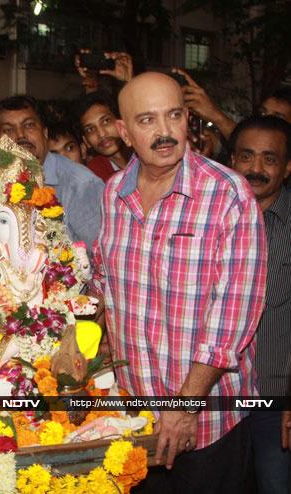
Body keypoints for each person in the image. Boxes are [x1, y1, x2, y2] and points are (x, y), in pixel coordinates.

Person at [95, 72, 267, 493]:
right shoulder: (114, 192)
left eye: (173, 116)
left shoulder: (228, 194)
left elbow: (233, 317)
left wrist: (184, 407)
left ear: (188, 118)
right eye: (147, 120)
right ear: (124, 132)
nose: (165, 132)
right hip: (136, 421)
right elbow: (106, 285)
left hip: (207, 424)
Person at [228, 115, 291, 494]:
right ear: (231, 160)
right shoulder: (208, 220)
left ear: (287, 166)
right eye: (247, 156)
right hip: (215, 396)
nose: (255, 168)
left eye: (269, 159)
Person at [0, 95, 103, 253]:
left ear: (45, 133)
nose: (20, 135)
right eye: (9, 130)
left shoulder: (80, 185)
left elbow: (103, 258)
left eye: (29, 125)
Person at [75, 91, 132, 182]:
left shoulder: (146, 151)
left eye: (106, 121)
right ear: (86, 141)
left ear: (121, 122)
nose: (101, 134)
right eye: (90, 129)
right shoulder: (93, 176)